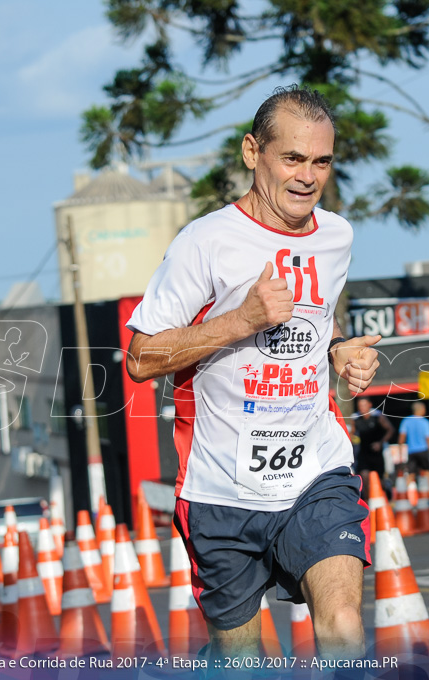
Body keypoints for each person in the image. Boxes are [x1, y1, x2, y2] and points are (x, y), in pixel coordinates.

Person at [123, 86, 382, 660]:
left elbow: (315, 321)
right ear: (252, 152)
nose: (307, 177)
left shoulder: (336, 236)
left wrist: (338, 349)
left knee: (342, 621)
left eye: (321, 161)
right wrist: (240, 320)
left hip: (316, 472)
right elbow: (141, 358)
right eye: (291, 158)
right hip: (221, 490)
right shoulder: (205, 242)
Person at [352, 397, 394, 498]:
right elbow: (351, 435)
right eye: (360, 406)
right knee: (364, 477)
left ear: (370, 405)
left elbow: (390, 430)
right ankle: (368, 502)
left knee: (378, 480)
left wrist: (380, 443)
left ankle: (386, 492)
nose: (362, 408)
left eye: (364, 405)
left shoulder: (378, 416)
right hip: (363, 453)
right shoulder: (355, 419)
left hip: (377, 453)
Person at [398, 401, 429, 495]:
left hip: (411, 451)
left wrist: (400, 453)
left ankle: (404, 496)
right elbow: (428, 439)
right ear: (421, 410)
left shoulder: (406, 421)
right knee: (427, 474)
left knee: (411, 475)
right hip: (423, 450)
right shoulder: (425, 422)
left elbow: (401, 439)